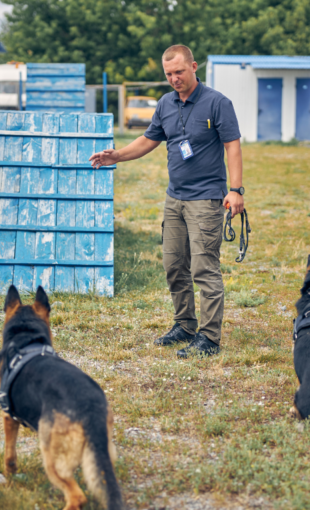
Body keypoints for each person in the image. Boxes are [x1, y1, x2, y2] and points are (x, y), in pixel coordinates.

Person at [89, 45, 244, 358]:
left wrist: (236, 190)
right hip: (175, 198)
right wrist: (116, 155)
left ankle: (209, 338)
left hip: (206, 199)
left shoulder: (217, 103)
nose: (174, 79)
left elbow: (233, 146)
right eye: (169, 74)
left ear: (193, 67)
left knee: (204, 268)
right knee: (174, 266)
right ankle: (185, 325)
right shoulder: (165, 104)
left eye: (179, 72)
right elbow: (149, 139)